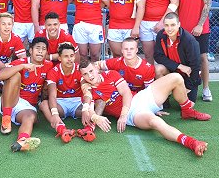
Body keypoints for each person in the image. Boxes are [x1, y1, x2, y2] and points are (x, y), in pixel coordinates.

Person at [79, 59, 210, 158]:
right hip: (134, 113)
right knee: (155, 122)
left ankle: (187, 111)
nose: (90, 76)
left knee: (175, 78)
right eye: (85, 74)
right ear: (83, 77)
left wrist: (122, 114)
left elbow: (126, 93)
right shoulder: (88, 91)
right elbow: (88, 108)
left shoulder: (111, 75)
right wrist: (96, 117)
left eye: (91, 71)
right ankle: (192, 143)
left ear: (96, 69)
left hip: (139, 98)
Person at [0, 37, 53, 152]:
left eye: (43, 49)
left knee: (30, 117)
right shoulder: (20, 62)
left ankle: (22, 142)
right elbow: (0, 76)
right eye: (38, 48)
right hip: (11, 99)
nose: (40, 51)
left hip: (27, 107)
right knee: (15, 75)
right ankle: (6, 119)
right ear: (31, 50)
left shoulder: (49, 65)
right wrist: (22, 67)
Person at [40, 43, 96, 143]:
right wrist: (55, 113)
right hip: (60, 103)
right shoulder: (53, 71)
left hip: (78, 102)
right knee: (44, 104)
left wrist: (85, 108)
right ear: (60, 58)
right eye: (66, 56)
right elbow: (52, 94)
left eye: (72, 56)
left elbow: (87, 90)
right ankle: (61, 129)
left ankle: (88, 130)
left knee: (91, 103)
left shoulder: (80, 69)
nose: (70, 59)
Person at [178, 0, 213, 102]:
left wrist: (199, 25)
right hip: (182, 30)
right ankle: (185, 88)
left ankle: (206, 88)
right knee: (184, 60)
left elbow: (207, 4)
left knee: (202, 58)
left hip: (200, 28)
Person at [154, 12, 201, 102]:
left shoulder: (189, 40)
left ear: (179, 24)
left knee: (189, 105)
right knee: (158, 69)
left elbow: (196, 66)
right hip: (171, 72)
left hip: (188, 76)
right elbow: (157, 56)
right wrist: (179, 66)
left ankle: (182, 91)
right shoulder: (161, 35)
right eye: (166, 25)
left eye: (173, 25)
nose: (169, 29)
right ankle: (165, 98)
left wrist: (188, 87)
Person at [0, 12, 26, 108]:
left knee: (17, 74)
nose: (6, 27)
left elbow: (23, 59)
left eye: (9, 24)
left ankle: (3, 87)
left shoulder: (16, 38)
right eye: (3, 24)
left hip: (4, 69)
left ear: (12, 25)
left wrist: (7, 65)